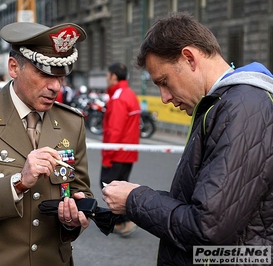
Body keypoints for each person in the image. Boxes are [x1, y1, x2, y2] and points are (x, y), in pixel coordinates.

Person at [102, 12, 273, 265]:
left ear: (189, 58)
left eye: (164, 82)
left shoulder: (242, 108)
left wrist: (134, 200)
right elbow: (202, 201)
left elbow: (207, 227)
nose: (164, 98)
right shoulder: (225, 104)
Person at [0, 21, 93, 266]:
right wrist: (19, 182)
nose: (55, 86)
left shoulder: (71, 122)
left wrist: (74, 218)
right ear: (14, 67)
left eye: (61, 75)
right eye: (44, 73)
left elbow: (79, 190)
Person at [100, 62, 140, 237]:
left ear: (114, 76)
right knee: (122, 185)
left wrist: (107, 155)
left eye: (107, 75)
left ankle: (124, 221)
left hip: (117, 152)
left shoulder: (118, 98)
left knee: (109, 186)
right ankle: (123, 221)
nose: (106, 79)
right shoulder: (130, 94)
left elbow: (113, 131)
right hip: (128, 152)